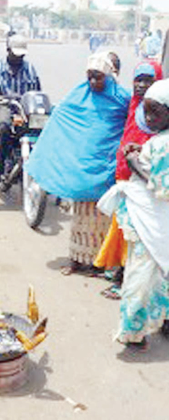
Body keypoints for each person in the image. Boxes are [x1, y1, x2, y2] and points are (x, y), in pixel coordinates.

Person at [24, 52, 130, 275]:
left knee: (103, 219)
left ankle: (99, 262)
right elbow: (62, 114)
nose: (93, 82)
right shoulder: (79, 94)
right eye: (90, 76)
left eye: (98, 77)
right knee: (80, 218)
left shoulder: (121, 97)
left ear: (109, 75)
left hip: (106, 166)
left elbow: (132, 122)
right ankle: (77, 260)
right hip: (83, 169)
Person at [98, 79, 169, 351]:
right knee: (161, 274)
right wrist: (141, 154)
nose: (149, 118)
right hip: (159, 220)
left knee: (140, 276)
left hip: (152, 220)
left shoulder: (161, 143)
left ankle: (132, 333)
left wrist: (132, 162)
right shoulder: (159, 140)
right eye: (147, 112)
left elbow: (161, 186)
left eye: (156, 113)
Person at [95, 61, 162, 299]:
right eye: (138, 80)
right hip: (124, 175)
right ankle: (119, 272)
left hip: (145, 183)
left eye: (148, 81)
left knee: (136, 235)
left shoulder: (158, 113)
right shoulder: (134, 106)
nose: (142, 86)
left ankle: (125, 281)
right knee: (122, 230)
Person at [0, 34, 41, 192]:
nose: (19, 58)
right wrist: (3, 100)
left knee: (43, 132)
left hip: (26, 109)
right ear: (7, 50)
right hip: (6, 107)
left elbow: (37, 93)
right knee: (2, 127)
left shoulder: (30, 69)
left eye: (21, 55)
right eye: (15, 54)